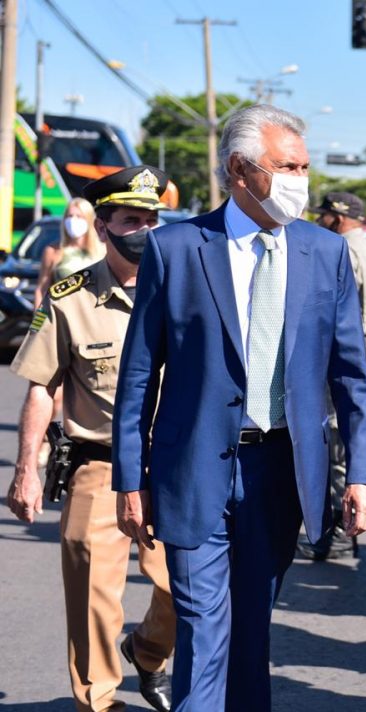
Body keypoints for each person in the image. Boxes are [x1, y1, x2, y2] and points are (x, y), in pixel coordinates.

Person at [111, 105, 366, 711]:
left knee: (251, 630)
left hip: (279, 472)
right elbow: (137, 379)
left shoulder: (325, 253)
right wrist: (130, 477)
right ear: (239, 169)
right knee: (205, 628)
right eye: (288, 167)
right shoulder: (176, 249)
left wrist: (361, 474)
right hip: (192, 470)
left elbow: (351, 376)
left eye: (306, 167)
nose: (301, 181)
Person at [7, 166, 176, 712]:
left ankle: (148, 652)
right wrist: (25, 470)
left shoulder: (184, 291)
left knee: (183, 589)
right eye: (132, 220)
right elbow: (40, 389)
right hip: (96, 466)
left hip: (172, 468)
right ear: (102, 227)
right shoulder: (68, 298)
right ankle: (99, 703)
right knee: (91, 601)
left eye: (152, 219)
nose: (145, 230)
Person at [305, 191, 366, 561]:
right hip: (363, 354)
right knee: (337, 449)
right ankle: (335, 532)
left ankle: (338, 534)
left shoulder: (350, 252)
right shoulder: (360, 248)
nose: (320, 222)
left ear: (337, 218)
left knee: (340, 451)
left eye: (324, 216)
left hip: (357, 357)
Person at [35, 197, 106, 307]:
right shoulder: (53, 251)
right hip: (62, 315)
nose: (73, 220)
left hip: (94, 315)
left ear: (90, 220)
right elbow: (42, 290)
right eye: (69, 216)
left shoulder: (103, 250)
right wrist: (38, 322)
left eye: (79, 216)